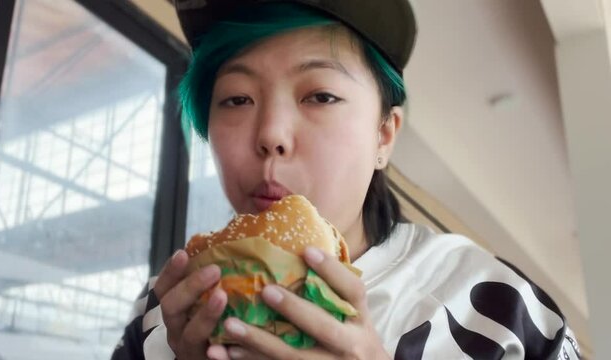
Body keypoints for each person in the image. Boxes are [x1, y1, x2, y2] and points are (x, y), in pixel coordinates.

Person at [112, 1, 581, 359]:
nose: (271, 135)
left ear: (383, 134)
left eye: (319, 95)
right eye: (236, 99)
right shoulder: (161, 312)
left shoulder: (496, 309)